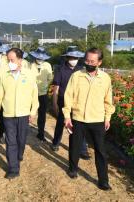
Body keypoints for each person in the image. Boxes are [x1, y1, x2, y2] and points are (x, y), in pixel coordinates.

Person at [63, 48, 115, 190]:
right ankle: (73, 169)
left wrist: (107, 117)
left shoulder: (105, 78)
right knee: (74, 145)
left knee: (100, 150)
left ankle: (103, 180)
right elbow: (68, 96)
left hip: (97, 119)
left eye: (92, 61)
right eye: (87, 60)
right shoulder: (77, 76)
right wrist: (67, 116)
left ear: (99, 62)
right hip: (78, 118)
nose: (89, 63)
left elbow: (108, 100)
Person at [0, 48, 39, 179]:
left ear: (20, 60)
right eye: (8, 60)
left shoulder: (29, 75)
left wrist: (33, 111)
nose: (9, 62)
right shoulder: (4, 76)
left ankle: (19, 154)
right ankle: (13, 168)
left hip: (24, 114)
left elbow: (35, 96)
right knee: (11, 141)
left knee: (21, 140)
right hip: (8, 115)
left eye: (11, 60)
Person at [51, 46, 90, 160]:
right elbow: (56, 88)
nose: (74, 59)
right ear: (67, 58)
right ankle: (55, 143)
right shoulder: (60, 69)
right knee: (61, 123)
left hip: (78, 102)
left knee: (79, 125)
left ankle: (82, 149)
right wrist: (54, 103)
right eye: (72, 57)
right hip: (63, 100)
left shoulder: (81, 70)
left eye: (76, 57)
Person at [29, 47, 52, 142]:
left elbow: (50, 79)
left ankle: (41, 133)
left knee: (42, 114)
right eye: (38, 57)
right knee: (29, 112)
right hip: (31, 94)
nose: (40, 59)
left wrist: (47, 88)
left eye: (42, 58)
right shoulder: (30, 66)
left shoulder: (47, 65)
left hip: (43, 94)